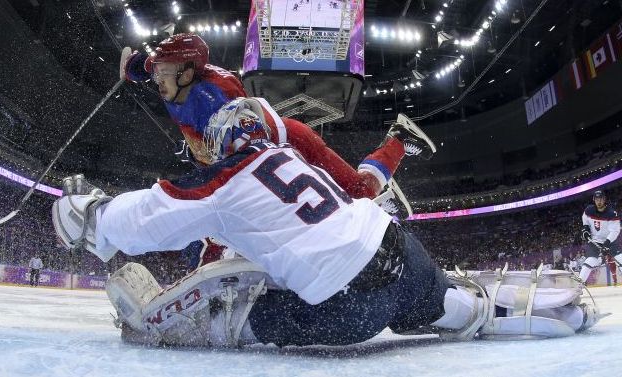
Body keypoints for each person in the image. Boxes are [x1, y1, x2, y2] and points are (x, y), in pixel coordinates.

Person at [52, 113, 602, 348]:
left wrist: (85, 213)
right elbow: (357, 187)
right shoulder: (283, 148)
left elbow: (138, 221)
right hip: (403, 252)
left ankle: (211, 330)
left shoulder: (217, 184)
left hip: (350, 308)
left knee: (224, 317)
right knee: (447, 308)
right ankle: (495, 310)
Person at [122, 32, 436, 265]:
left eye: (163, 71)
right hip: (250, 151)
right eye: (157, 70)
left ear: (188, 72)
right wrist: (134, 68)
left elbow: (249, 160)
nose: (157, 78)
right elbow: (144, 67)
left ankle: (397, 139)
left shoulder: (213, 99)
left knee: (360, 192)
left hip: (291, 145)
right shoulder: (174, 77)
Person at [578, 190, 622, 283]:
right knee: (591, 260)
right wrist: (585, 229)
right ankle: (579, 283)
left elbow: (615, 231)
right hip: (595, 241)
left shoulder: (611, 213)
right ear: (594, 199)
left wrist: (607, 243)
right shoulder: (588, 210)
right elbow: (585, 220)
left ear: (604, 199)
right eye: (597, 199)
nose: (599, 201)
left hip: (610, 241)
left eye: (601, 199)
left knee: (620, 259)